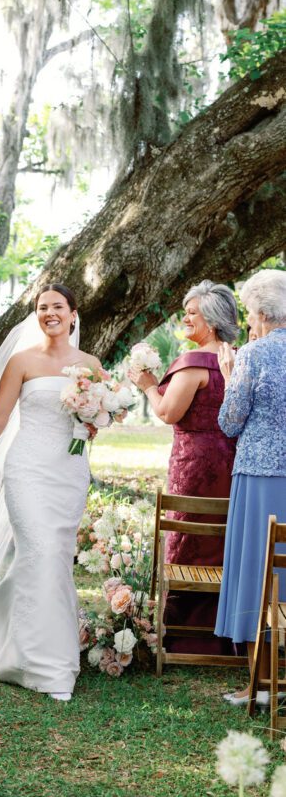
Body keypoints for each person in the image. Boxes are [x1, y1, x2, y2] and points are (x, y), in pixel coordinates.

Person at [0, 283, 98, 702]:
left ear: (73, 314)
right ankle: (44, 664)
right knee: (40, 552)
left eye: (57, 307)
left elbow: (97, 420)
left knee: (53, 558)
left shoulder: (90, 363)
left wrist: (94, 421)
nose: (49, 313)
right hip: (27, 470)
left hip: (69, 473)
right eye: (42, 308)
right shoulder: (22, 361)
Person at [128, 280, 239, 655]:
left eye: (192, 313)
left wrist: (146, 385)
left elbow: (167, 411)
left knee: (188, 535)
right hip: (232, 461)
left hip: (195, 464)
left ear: (211, 320)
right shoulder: (238, 358)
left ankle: (183, 630)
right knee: (220, 537)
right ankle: (222, 629)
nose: (185, 319)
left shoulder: (195, 363)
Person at [214, 269, 286, 704]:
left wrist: (227, 374)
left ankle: (259, 685)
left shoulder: (252, 355)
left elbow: (229, 421)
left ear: (260, 312)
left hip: (259, 476)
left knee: (259, 573)